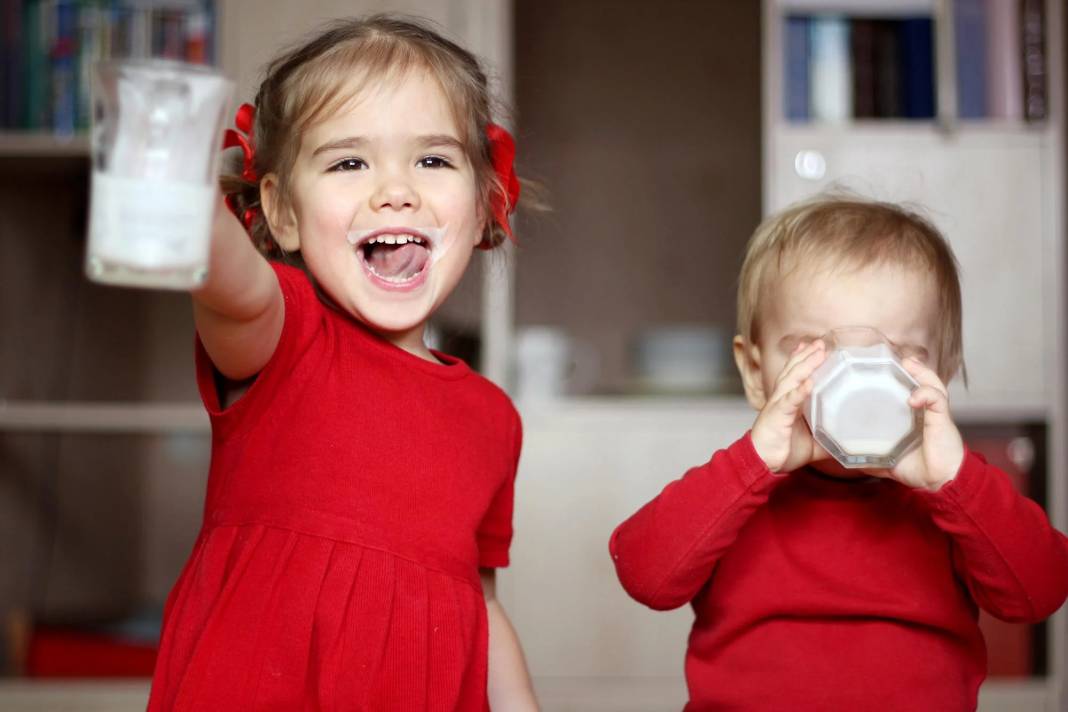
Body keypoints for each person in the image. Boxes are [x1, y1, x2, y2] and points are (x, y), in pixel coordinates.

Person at [147, 15, 537, 711]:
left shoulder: (494, 418)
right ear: (282, 212)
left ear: (485, 208)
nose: (396, 190)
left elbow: (479, 600)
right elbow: (234, 286)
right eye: (349, 162)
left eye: (434, 160)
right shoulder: (284, 334)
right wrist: (186, 199)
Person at [609, 196, 1068, 711]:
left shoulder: (952, 494)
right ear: (755, 372)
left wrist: (955, 481)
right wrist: (751, 463)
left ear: (943, 368)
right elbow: (644, 576)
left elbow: (1041, 592)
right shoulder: (735, 488)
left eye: (898, 353)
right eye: (812, 349)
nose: (857, 376)